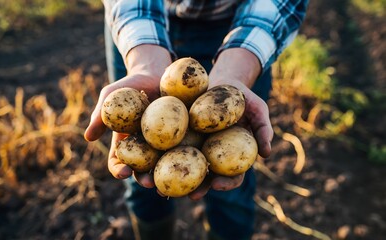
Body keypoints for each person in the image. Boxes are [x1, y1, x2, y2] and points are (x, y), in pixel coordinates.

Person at [85, 1, 309, 239]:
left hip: (234, 26)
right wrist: (145, 61)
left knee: (230, 195)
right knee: (140, 185)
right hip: (138, 21)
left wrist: (238, 68)